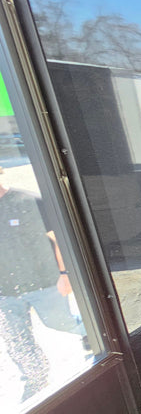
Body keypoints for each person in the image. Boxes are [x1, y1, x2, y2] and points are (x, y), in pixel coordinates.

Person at [0, 165, 86, 402]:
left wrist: (66, 274)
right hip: (5, 292)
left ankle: (94, 334)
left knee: (61, 323)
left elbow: (58, 239)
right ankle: (36, 380)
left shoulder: (30, 201)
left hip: (45, 284)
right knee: (17, 341)